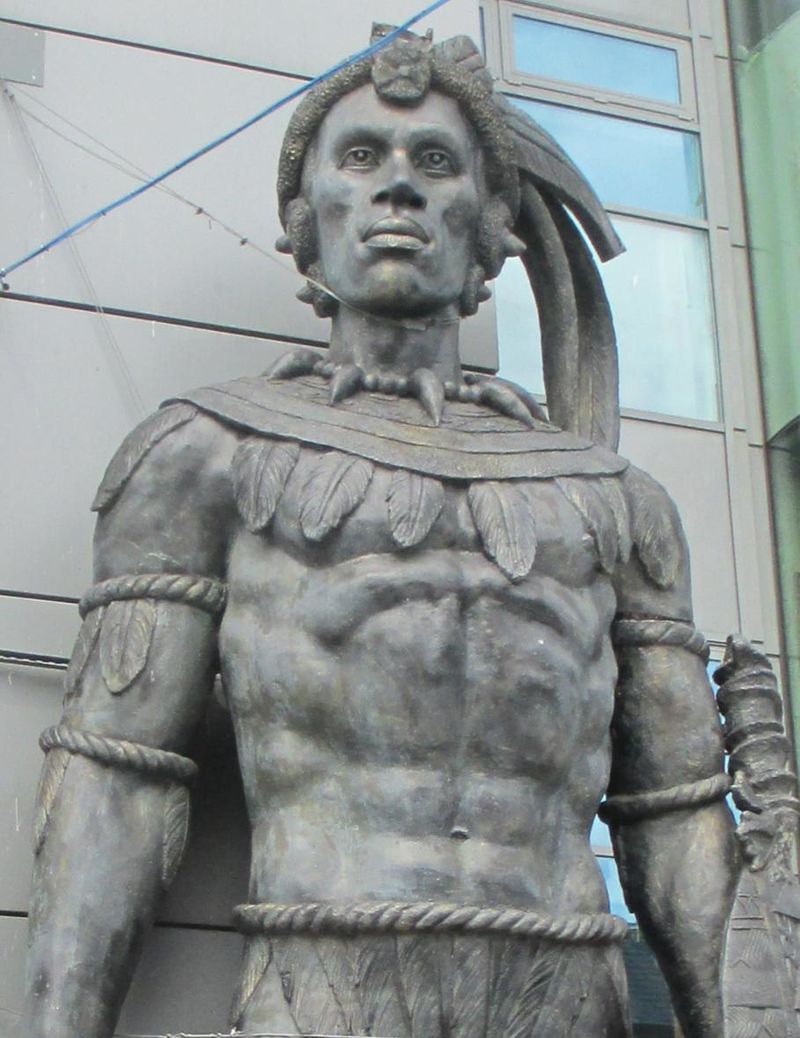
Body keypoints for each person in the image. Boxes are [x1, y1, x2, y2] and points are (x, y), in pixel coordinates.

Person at [20, 28, 738, 1038]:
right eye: (360, 158)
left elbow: (674, 809)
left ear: (492, 225)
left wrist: (725, 1019)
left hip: (568, 1000)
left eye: (434, 163)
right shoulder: (201, 455)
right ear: (304, 221)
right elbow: (113, 780)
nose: (397, 189)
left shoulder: (614, 500)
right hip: (321, 995)